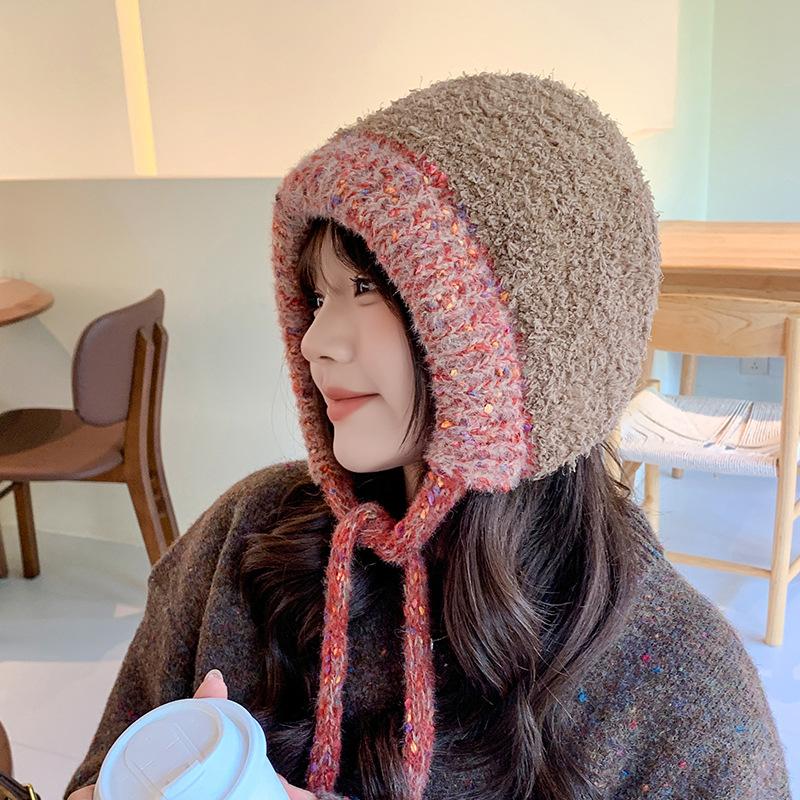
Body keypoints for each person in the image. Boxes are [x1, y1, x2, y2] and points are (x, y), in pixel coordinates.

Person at [65, 72, 790, 800]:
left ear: (538, 339)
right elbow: (98, 775)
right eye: (316, 294)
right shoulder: (244, 537)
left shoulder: (682, 698)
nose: (314, 340)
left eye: (366, 289)